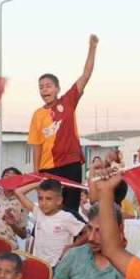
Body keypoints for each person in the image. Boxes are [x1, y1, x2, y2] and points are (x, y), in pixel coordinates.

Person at [27, 34, 98, 212]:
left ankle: (72, 239)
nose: (44, 90)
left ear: (57, 88)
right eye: (41, 87)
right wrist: (37, 173)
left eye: (48, 85)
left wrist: (92, 47)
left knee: (71, 210)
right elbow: (36, 146)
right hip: (48, 169)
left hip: (71, 164)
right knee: (50, 210)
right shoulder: (37, 115)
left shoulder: (68, 102)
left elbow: (86, 75)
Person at [15, 178, 86, 268]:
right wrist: (38, 184)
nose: (43, 203)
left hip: (59, 266)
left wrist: (73, 246)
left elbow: (87, 232)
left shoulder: (66, 217)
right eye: (40, 198)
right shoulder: (38, 212)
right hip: (39, 264)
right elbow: (18, 192)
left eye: (48, 199)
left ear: (59, 200)